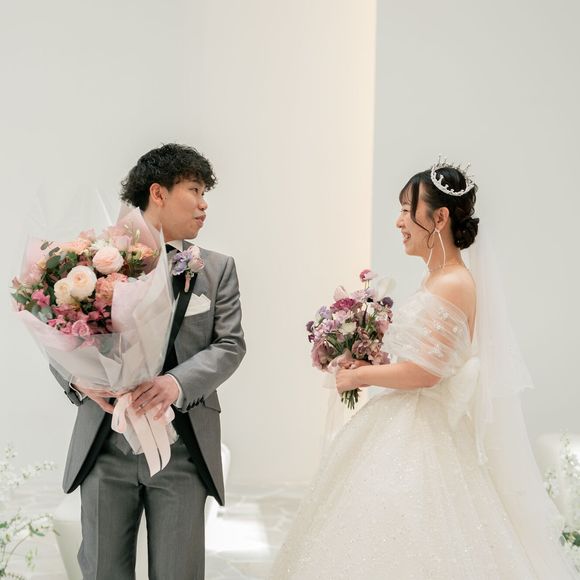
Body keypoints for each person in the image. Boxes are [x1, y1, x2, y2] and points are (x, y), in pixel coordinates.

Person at [270, 158, 578, 579]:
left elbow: (426, 373)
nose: (399, 222)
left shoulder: (452, 282)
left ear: (440, 218)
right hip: (409, 419)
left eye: (405, 210)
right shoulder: (440, 278)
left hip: (421, 431)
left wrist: (359, 376)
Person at [51, 143, 246, 579]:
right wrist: (80, 381)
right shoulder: (91, 260)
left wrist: (175, 384)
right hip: (105, 445)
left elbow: (230, 345)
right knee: (102, 571)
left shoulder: (216, 269)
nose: (204, 204)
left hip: (182, 449)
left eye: (205, 193)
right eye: (194, 190)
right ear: (158, 193)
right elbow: (61, 328)